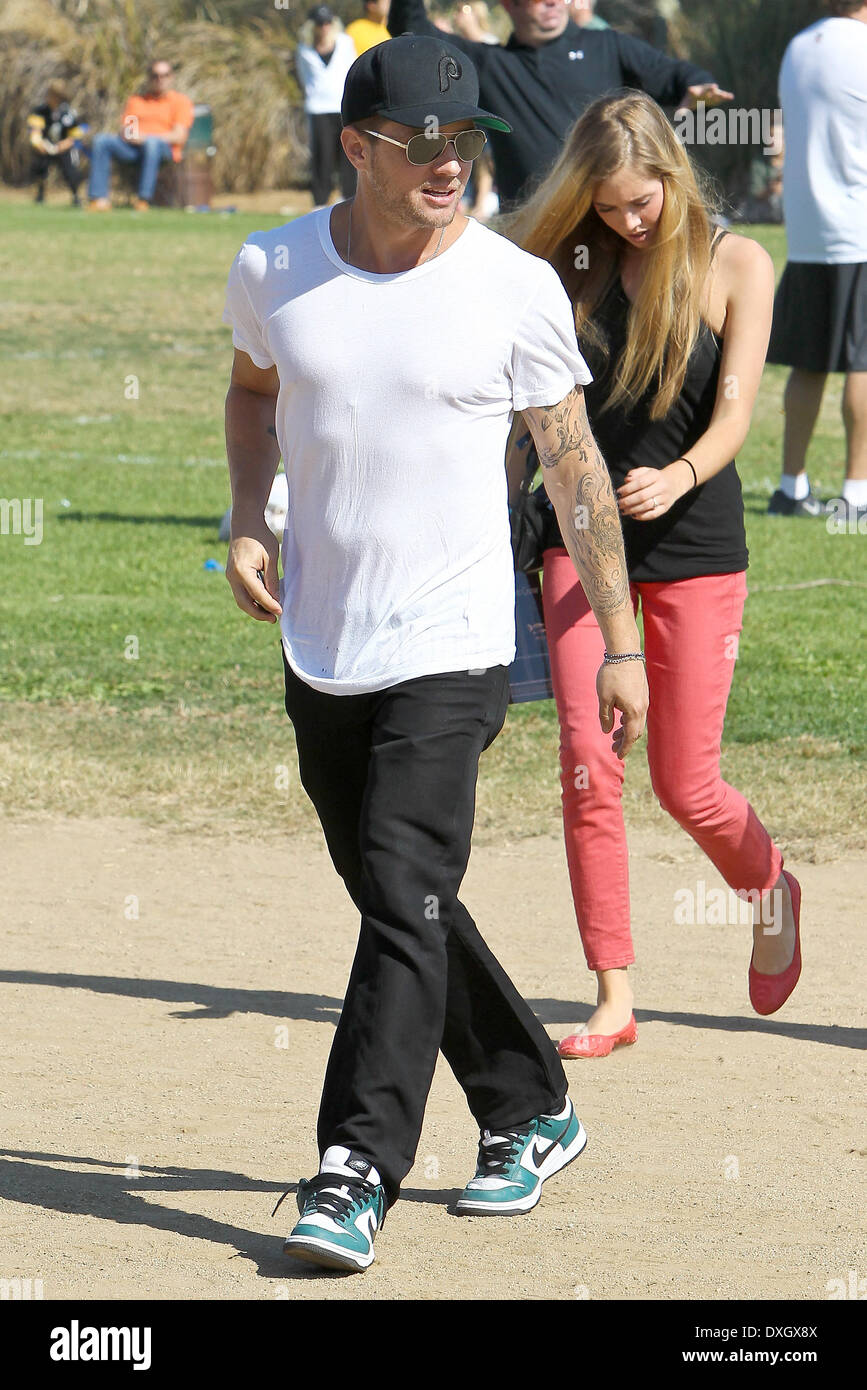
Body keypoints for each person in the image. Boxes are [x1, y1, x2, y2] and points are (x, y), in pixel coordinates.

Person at [222, 34, 648, 1272]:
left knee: (398, 884)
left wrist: (619, 641)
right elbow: (253, 394)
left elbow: (574, 471)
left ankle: (354, 1165)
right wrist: (249, 515)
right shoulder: (274, 266)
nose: (451, 164)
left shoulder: (512, 288)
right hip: (323, 639)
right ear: (354, 147)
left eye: (467, 144)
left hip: (458, 642)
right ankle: (530, 1103)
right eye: (421, 144)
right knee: (398, 894)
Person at [508, 91, 803, 1058]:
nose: (628, 222)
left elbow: (735, 414)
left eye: (642, 203)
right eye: (607, 207)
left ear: (674, 176)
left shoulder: (736, 262)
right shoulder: (565, 265)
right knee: (589, 766)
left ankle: (770, 891)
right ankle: (612, 995)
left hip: (693, 544)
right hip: (577, 535)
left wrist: (676, 476)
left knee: (686, 785)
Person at [387, 0, 732, 208]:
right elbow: (410, 29)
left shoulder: (606, 45)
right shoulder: (490, 65)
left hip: (607, 222)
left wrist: (695, 85)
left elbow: (671, 73)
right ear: (510, 5)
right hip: (532, 233)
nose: (553, 2)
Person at [766, 0, 867, 521]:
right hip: (860, 229)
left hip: (808, 231)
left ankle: (791, 487)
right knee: (863, 363)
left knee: (809, 362)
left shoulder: (798, 47)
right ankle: (856, 494)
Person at [87, 60, 193, 211]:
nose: (160, 79)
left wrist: (148, 137)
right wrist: (133, 136)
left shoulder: (180, 102)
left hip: (164, 150)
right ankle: (98, 199)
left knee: (152, 144)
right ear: (149, 78)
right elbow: (128, 130)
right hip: (134, 149)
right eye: (155, 76)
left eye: (164, 75)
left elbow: (179, 136)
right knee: (101, 140)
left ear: (171, 77)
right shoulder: (137, 101)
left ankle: (143, 200)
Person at [295, 6, 358, 208]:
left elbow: (353, 70)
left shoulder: (345, 43)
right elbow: (304, 78)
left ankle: (349, 198)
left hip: (343, 107)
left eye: (328, 22)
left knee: (348, 155)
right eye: (320, 23)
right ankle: (320, 202)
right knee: (322, 156)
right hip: (318, 108)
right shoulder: (304, 48)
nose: (324, 27)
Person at [28, 80, 87, 207]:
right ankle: (40, 193)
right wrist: (38, 143)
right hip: (46, 146)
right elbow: (35, 131)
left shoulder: (68, 113)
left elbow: (75, 135)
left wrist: (64, 144)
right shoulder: (40, 111)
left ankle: (76, 195)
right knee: (40, 165)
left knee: (70, 170)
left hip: (64, 148)